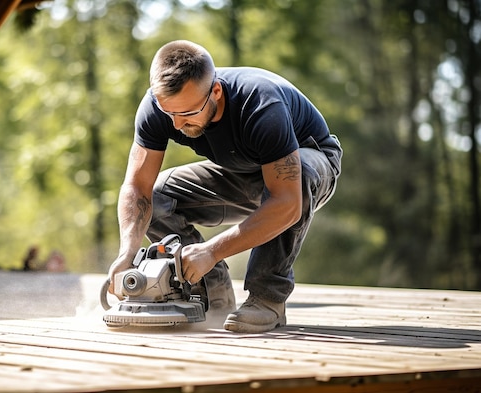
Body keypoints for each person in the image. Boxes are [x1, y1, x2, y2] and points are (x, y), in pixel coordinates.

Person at [108, 40, 342, 333]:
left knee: (300, 176)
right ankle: (215, 292)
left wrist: (212, 250)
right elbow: (137, 187)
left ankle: (267, 298)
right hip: (242, 170)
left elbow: (287, 203)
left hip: (310, 162)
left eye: (189, 113)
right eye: (170, 114)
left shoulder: (261, 104)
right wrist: (126, 253)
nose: (177, 125)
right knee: (158, 198)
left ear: (216, 92)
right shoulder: (156, 108)